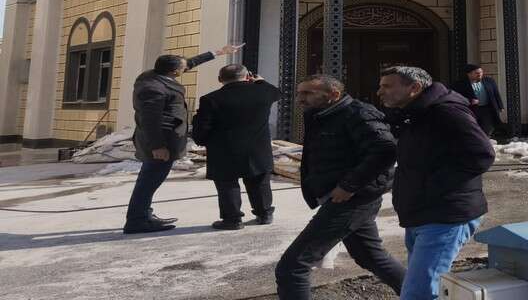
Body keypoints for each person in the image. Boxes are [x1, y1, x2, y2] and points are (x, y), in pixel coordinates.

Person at [275, 75, 405, 300]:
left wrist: (348, 186)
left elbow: (385, 150)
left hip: (353, 200)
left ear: (333, 94)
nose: (300, 99)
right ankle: (421, 294)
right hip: (342, 198)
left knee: (292, 267)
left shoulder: (359, 113)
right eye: (299, 93)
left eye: (307, 93)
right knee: (370, 257)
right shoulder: (320, 115)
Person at [379, 66, 495, 300]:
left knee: (419, 293)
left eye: (387, 86)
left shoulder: (446, 112)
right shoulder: (414, 114)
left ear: (414, 88)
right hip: (421, 211)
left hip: (445, 215)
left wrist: (432, 187)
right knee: (421, 288)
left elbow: (482, 154)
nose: (380, 92)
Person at [123, 43, 242, 234]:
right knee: (148, 181)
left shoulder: (153, 75)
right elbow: (150, 120)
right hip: (161, 141)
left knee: (149, 179)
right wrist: (158, 146)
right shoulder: (154, 88)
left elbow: (190, 63)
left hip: (163, 139)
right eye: (183, 68)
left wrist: (218, 52)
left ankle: (144, 213)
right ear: (174, 72)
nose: (186, 68)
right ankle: (137, 220)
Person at [190, 64, 280, 229]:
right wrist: (260, 81)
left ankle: (232, 219)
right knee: (259, 182)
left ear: (220, 79)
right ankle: (265, 213)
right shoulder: (263, 92)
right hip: (257, 147)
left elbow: (203, 126)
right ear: (247, 77)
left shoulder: (210, 99)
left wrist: (200, 140)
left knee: (227, 184)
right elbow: (277, 92)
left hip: (224, 148)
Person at [448, 63, 505, 137]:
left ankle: (485, 139)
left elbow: (496, 94)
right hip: (471, 110)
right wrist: (469, 101)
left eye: (481, 72)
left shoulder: (489, 81)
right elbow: (455, 96)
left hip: (487, 109)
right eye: (477, 73)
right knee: (473, 128)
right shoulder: (460, 84)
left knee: (487, 128)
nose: (480, 74)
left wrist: (500, 106)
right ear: (469, 74)